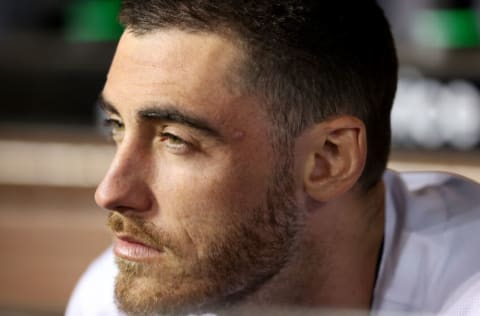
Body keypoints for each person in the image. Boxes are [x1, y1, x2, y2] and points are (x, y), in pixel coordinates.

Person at [66, 1, 480, 315]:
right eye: (116, 126)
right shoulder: (113, 291)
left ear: (328, 159)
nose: (111, 191)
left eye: (175, 139)